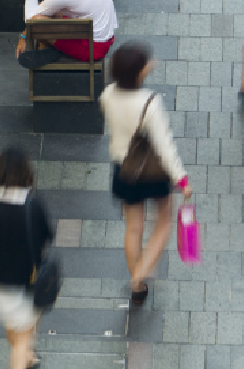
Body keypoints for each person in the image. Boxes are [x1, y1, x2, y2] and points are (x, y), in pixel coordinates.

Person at [99, 43, 193, 305]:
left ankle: (138, 284)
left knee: (133, 228)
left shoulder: (107, 95)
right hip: (152, 173)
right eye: (146, 64)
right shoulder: (150, 103)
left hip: (124, 169)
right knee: (164, 221)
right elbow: (164, 146)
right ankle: (138, 275)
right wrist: (181, 179)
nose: (150, 65)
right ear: (139, 73)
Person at [0, 149, 54, 369]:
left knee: (17, 329)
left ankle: (28, 356)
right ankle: (24, 355)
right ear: (27, 172)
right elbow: (48, 235)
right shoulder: (34, 205)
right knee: (22, 340)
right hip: (29, 283)